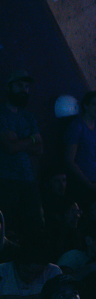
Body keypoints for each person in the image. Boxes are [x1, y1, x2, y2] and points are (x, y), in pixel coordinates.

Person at [0, 70, 44, 237]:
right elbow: (9, 148)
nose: (24, 90)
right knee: (8, 229)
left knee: (34, 228)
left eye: (27, 87)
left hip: (28, 180)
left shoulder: (28, 117)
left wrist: (20, 142)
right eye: (19, 85)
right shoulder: (1, 114)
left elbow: (40, 149)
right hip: (5, 180)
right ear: (9, 87)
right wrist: (31, 139)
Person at [63, 91, 96, 203]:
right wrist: (89, 185)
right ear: (85, 105)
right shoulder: (77, 127)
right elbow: (69, 160)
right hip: (79, 184)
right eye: (95, 104)